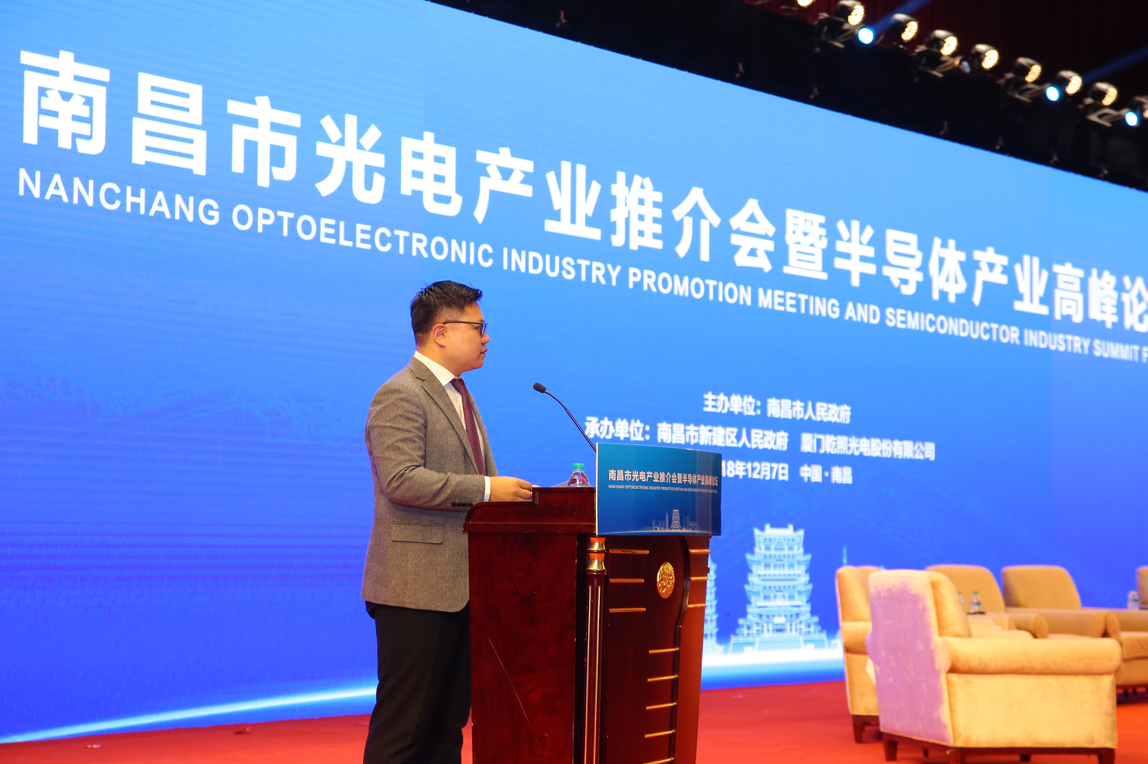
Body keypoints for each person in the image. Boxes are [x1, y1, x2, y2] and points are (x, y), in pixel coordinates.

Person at [361, 280, 533, 764]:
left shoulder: (461, 395)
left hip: (466, 588)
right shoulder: (400, 393)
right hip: (416, 590)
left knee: (446, 730)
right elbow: (401, 481)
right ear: (440, 332)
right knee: (404, 730)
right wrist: (488, 490)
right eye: (478, 327)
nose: (486, 337)